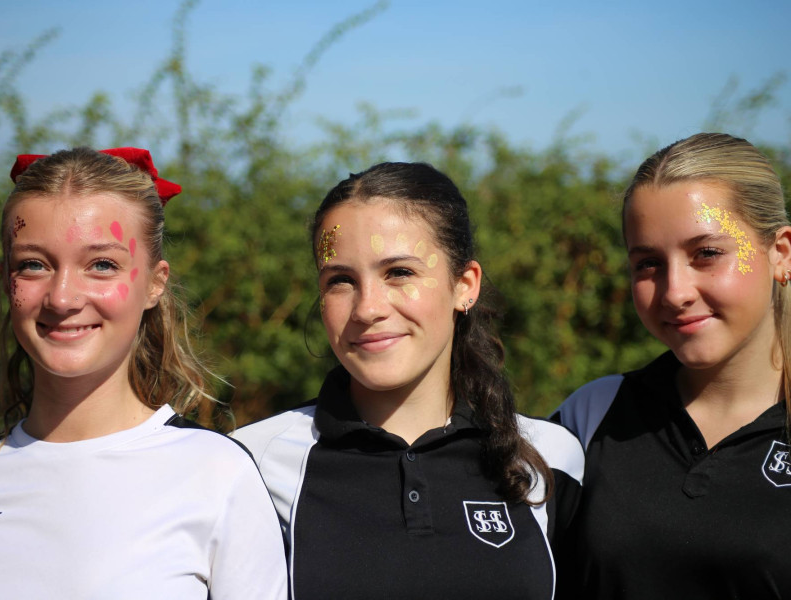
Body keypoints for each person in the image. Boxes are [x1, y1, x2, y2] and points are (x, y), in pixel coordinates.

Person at [234, 161, 584, 599]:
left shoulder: (550, 458)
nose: (368, 308)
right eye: (341, 280)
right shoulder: (252, 466)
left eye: (399, 272)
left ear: (465, 285)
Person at [0, 147, 287, 599]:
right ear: (5, 279)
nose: (62, 298)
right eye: (34, 265)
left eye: (101, 265)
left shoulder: (216, 474)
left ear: (154, 283)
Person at [552, 133, 791, 599]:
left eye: (707, 253)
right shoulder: (592, 417)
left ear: (780, 253)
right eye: (648, 263)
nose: (675, 292)